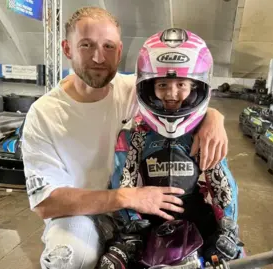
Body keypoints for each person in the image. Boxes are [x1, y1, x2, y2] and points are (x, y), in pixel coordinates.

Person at [21, 6, 230, 269]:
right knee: (67, 258)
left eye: (108, 46)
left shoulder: (136, 90)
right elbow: (45, 203)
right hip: (80, 216)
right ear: (67, 48)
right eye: (86, 45)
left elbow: (182, 93)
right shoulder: (43, 114)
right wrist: (125, 197)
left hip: (138, 213)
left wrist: (213, 117)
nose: (98, 57)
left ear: (119, 51)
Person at [96, 28, 243, 269]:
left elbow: (222, 183)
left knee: (236, 258)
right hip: (144, 225)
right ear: (147, 86)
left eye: (181, 84)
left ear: (197, 87)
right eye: (162, 84)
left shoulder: (205, 134)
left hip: (199, 223)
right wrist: (132, 228)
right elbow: (123, 181)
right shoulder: (133, 134)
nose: (171, 94)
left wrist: (228, 228)